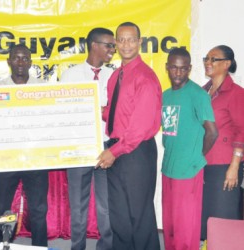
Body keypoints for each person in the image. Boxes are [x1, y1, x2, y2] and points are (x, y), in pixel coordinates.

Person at [96, 22, 162, 249]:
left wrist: (113, 152)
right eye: (121, 40)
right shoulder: (116, 76)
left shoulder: (145, 77)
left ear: (140, 42)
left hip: (136, 153)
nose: (125, 44)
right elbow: (117, 113)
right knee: (119, 216)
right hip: (117, 149)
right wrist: (90, 109)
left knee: (139, 216)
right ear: (115, 43)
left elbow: (139, 127)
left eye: (131, 39)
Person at [0, 44, 48, 248]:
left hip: (36, 158)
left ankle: (39, 247)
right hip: (6, 160)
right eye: (16, 58)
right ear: (9, 61)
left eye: (25, 58)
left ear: (31, 62)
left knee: (39, 210)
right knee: (1, 208)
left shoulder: (44, 89)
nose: (20, 62)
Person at [60, 27, 114, 250]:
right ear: (94, 45)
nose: (113, 49)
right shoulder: (70, 75)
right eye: (108, 45)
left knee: (106, 205)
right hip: (79, 146)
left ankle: (107, 247)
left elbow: (118, 111)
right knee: (78, 206)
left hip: (107, 147)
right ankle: (77, 247)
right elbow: (62, 110)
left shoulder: (114, 75)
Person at [161, 48, 218, 250]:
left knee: (186, 227)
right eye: (174, 68)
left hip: (188, 171)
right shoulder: (165, 95)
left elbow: (212, 132)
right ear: (167, 67)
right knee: (170, 225)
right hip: (168, 168)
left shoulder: (198, 95)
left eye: (183, 69)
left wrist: (197, 156)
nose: (178, 73)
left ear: (189, 69)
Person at [201, 45, 244, 241]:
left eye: (213, 59)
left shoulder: (236, 93)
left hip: (224, 166)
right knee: (205, 220)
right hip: (202, 165)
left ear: (227, 64)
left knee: (222, 219)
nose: (208, 63)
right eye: (206, 58)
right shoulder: (202, 92)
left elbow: (242, 130)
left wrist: (234, 166)